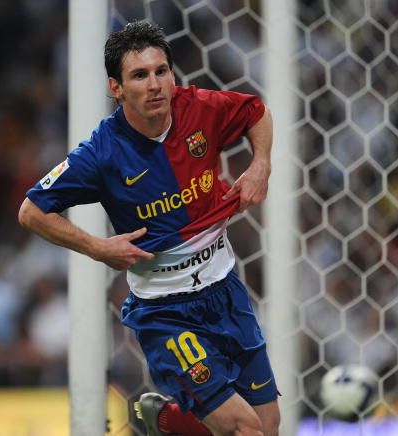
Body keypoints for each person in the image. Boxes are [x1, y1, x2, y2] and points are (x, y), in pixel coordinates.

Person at [18, 20, 280, 436]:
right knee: (244, 429)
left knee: (268, 427)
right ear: (116, 88)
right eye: (140, 75)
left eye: (161, 71)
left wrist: (260, 165)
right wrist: (97, 248)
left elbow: (256, 112)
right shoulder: (101, 153)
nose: (155, 84)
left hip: (226, 290)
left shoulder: (200, 107)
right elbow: (32, 211)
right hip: (166, 310)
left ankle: (161, 419)